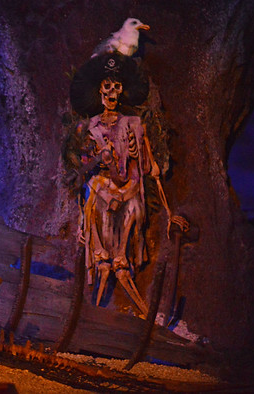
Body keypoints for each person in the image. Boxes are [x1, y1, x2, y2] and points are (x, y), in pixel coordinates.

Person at [67, 53, 187, 316]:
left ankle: (121, 259)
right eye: (107, 86)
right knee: (95, 192)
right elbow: (81, 173)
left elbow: (150, 169)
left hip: (128, 187)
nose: (112, 92)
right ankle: (102, 259)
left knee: (133, 205)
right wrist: (80, 221)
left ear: (122, 91)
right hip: (101, 187)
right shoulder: (89, 128)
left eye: (117, 86)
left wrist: (169, 214)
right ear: (99, 90)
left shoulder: (133, 124)